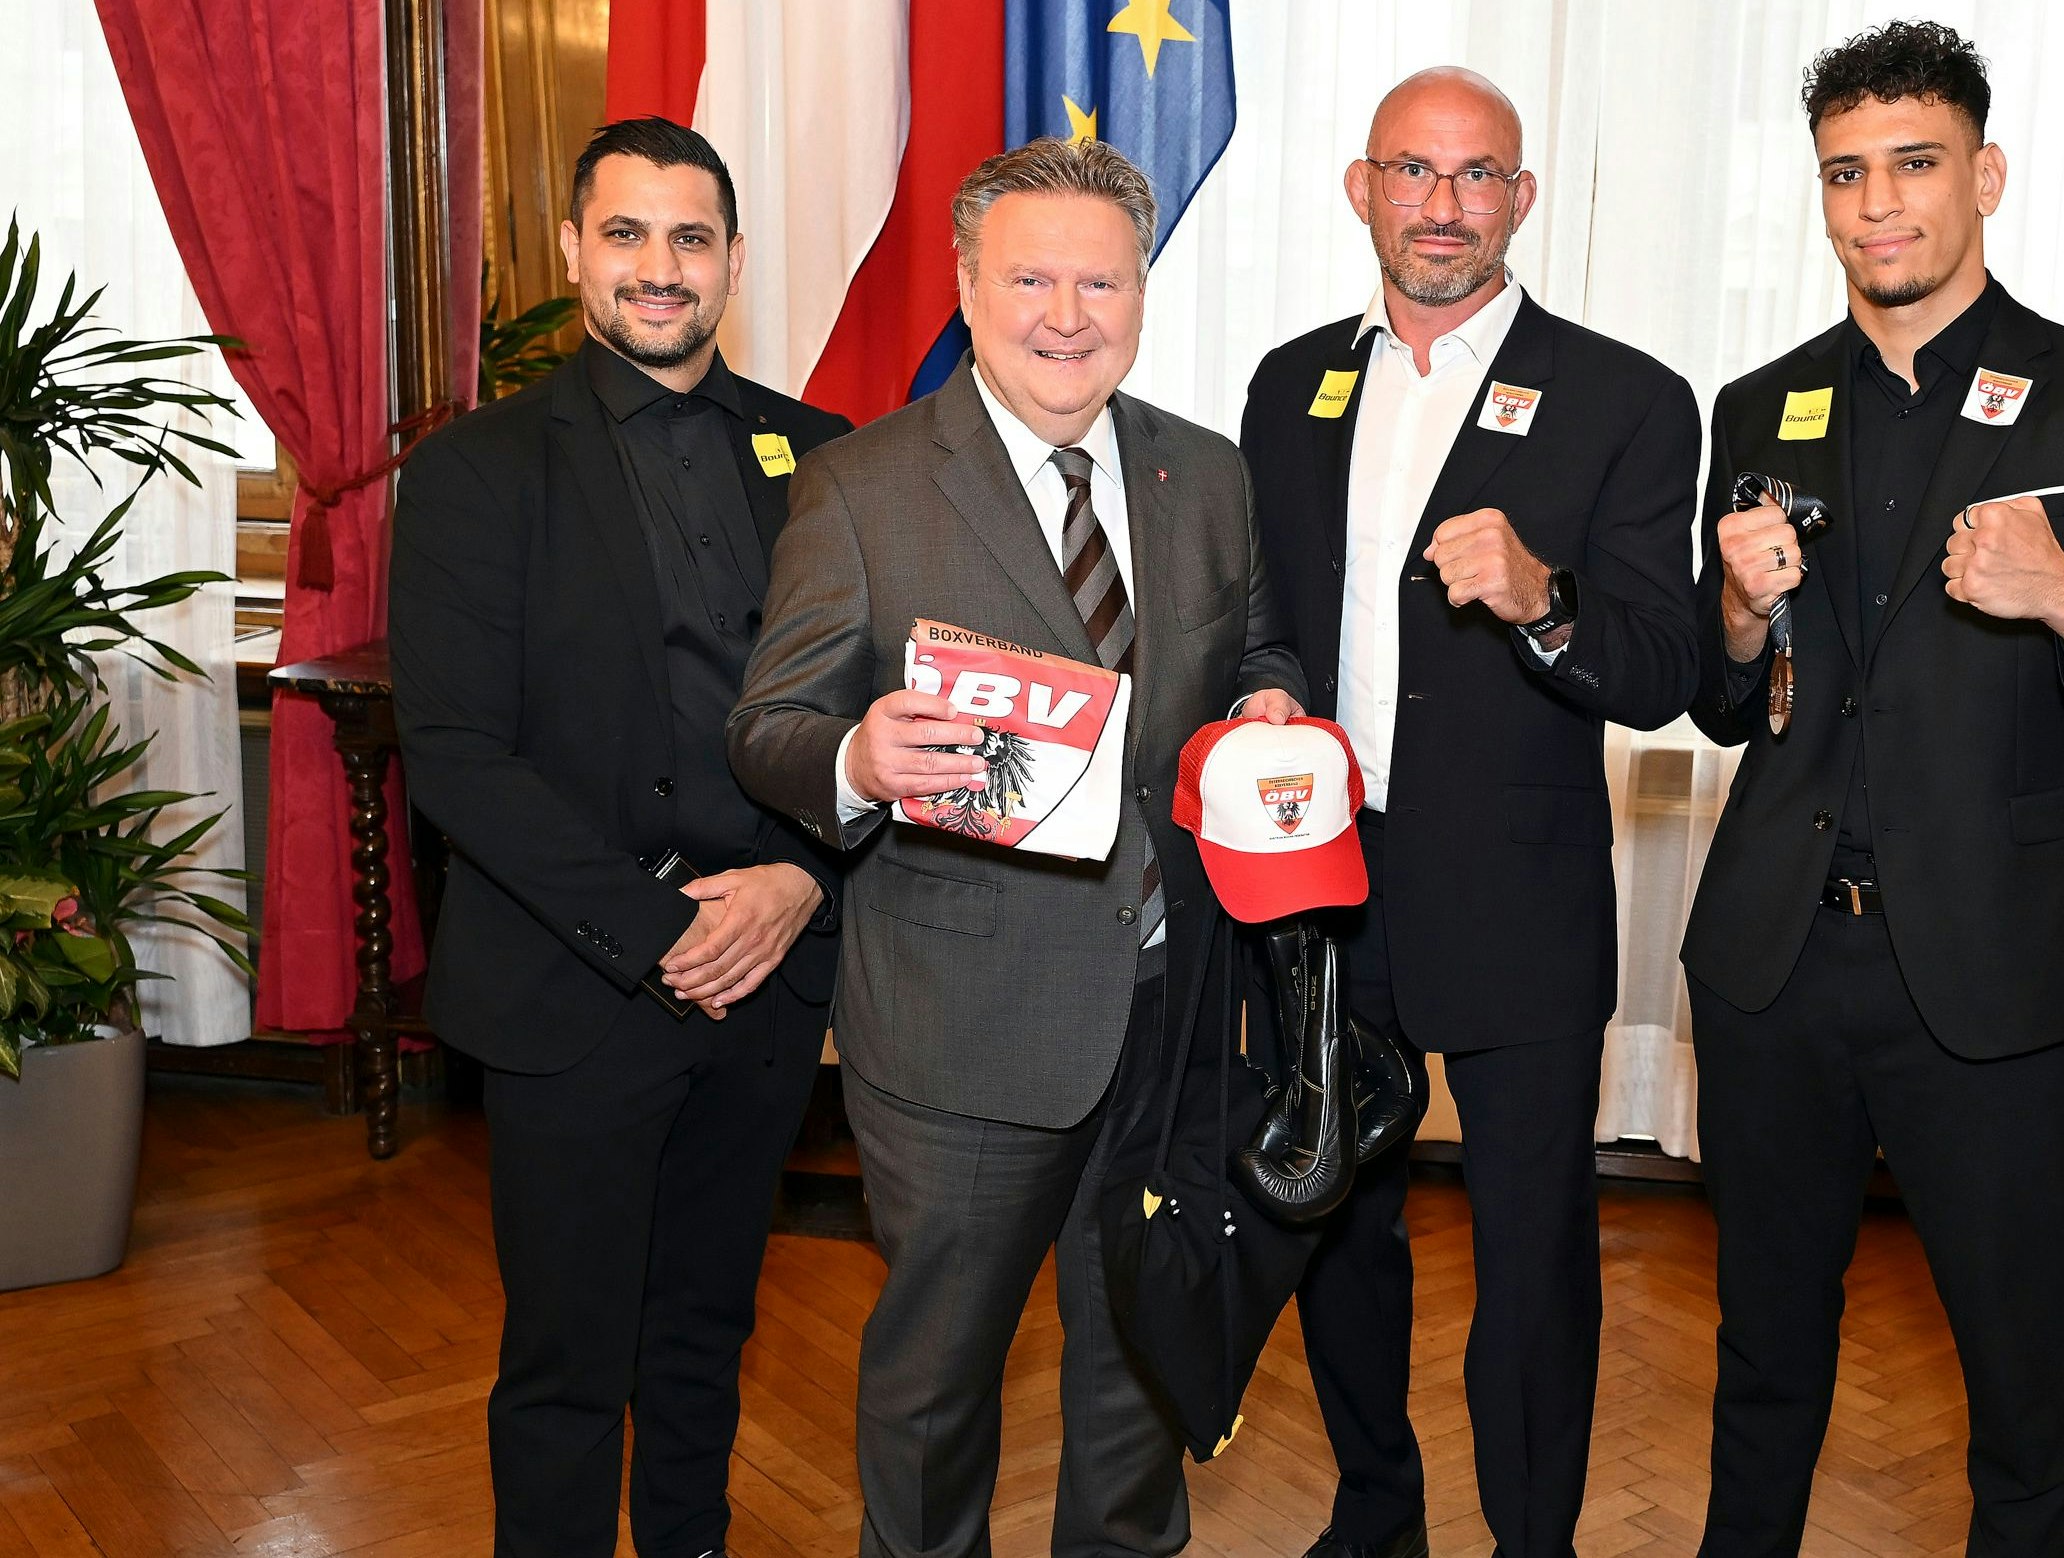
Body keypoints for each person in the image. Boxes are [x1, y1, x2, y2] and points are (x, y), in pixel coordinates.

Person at [1681, 23, 2064, 1558]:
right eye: (1845, 173)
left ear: (1984, 175)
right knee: (1760, 1352)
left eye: (1913, 163)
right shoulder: (1758, 405)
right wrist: (1740, 617)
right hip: (1773, 962)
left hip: (1998, 971)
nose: (1878, 203)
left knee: (2020, 1379)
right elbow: (1716, 695)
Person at [725, 137, 1306, 1558]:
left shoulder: (1207, 472)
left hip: (1172, 1014)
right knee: (935, 1382)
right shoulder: (860, 485)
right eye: (1031, 277)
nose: (1066, 312)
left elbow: (1252, 643)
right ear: (968, 289)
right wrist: (857, 754)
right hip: (959, 1028)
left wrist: (1267, 698)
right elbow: (768, 725)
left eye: (1098, 279)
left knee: (1140, 1363)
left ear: (1140, 291)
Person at [1239, 67, 1702, 1558]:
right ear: (1361, 188)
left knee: (1532, 1253)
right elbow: (1268, 615)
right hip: (1324, 887)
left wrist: (1544, 600)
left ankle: (1530, 1540)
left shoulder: (1626, 397)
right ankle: (1375, 1510)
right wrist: (1256, 690)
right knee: (1337, 1227)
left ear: (1519, 196)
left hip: (1517, 900)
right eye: (1413, 172)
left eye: (1477, 174)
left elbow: (1661, 670)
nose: (1442, 204)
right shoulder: (1289, 380)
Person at [390, 117, 849, 1558]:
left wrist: (797, 879)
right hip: (574, 992)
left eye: (692, 238)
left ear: (730, 263)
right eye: (630, 235)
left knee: (707, 1328)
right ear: (576, 251)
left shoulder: (823, 458)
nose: (662, 269)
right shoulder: (475, 470)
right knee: (567, 1362)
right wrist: (667, 934)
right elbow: (459, 758)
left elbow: (872, 715)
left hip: (768, 979)